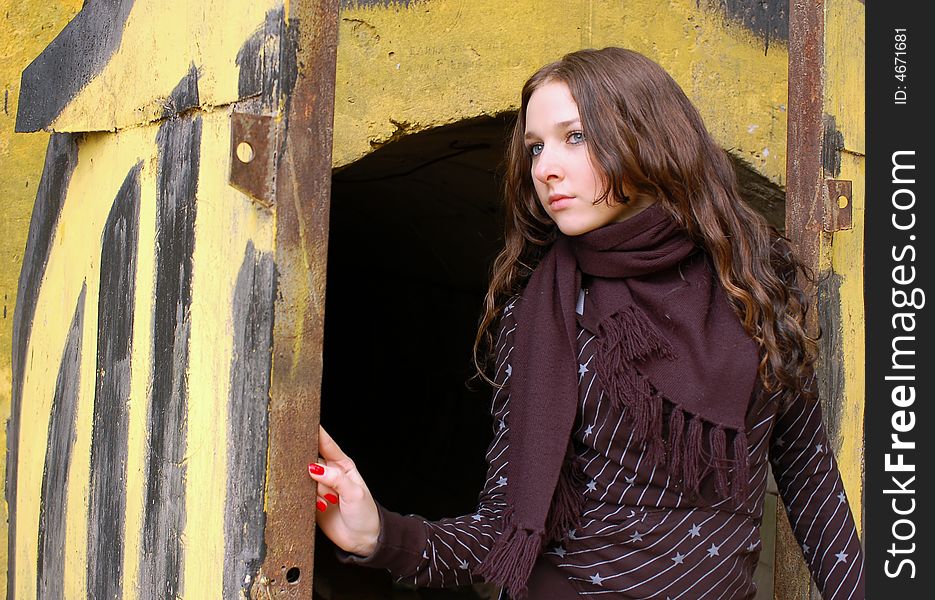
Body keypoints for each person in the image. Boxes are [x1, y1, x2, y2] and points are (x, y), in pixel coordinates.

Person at [307, 47, 865, 599]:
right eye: (535, 147)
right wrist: (378, 533)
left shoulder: (754, 280)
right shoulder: (544, 311)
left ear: (647, 136)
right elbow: (507, 529)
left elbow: (810, 483)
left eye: (575, 137)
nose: (546, 168)